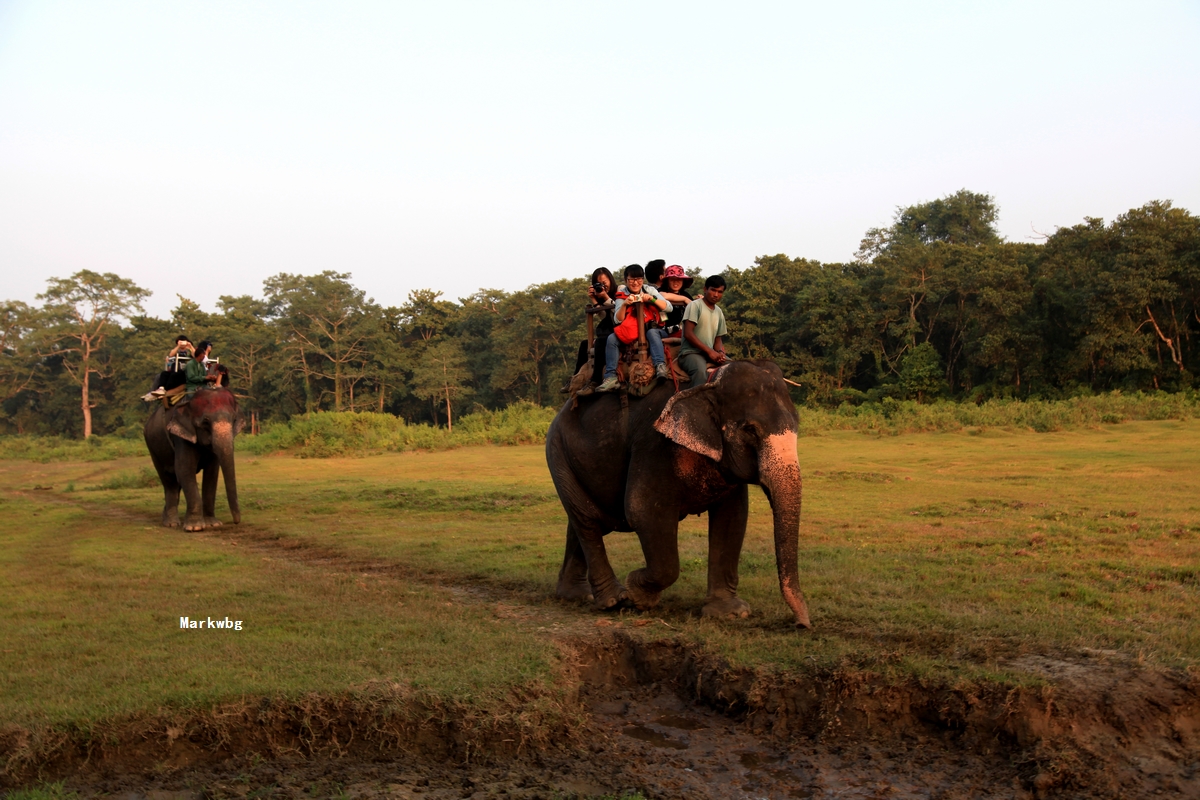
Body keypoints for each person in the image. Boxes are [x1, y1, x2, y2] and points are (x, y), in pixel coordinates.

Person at [596, 265, 672, 392]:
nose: (635, 283)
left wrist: (651, 299)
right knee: (612, 338)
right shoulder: (622, 295)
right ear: (626, 280)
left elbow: (668, 307)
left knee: (652, 333)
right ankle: (610, 377)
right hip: (632, 331)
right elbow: (617, 320)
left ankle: (660, 366)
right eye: (632, 279)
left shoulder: (649, 290)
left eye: (639, 279)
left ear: (643, 280)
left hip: (654, 329)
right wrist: (625, 304)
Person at [566, 267, 617, 395]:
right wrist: (595, 300)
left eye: (605, 282)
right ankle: (575, 379)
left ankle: (595, 380)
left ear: (610, 279)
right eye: (599, 284)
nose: (603, 286)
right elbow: (604, 317)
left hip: (620, 329)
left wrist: (605, 297)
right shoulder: (599, 296)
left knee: (600, 342)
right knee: (584, 344)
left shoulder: (620, 289)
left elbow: (617, 313)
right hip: (607, 330)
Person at [678, 275, 729, 389]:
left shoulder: (719, 312)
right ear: (705, 289)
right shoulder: (695, 306)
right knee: (701, 373)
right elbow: (688, 333)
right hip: (691, 353)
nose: (716, 295)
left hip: (709, 353)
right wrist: (710, 352)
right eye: (713, 290)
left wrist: (720, 352)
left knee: (735, 368)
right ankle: (695, 404)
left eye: (720, 292)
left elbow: (718, 338)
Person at [142, 335, 193, 401]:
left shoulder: (189, 350)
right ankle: (160, 389)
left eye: (184, 342)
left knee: (173, 375)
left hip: (184, 371)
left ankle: (165, 391)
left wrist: (190, 346)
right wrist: (178, 346)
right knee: (164, 374)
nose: (182, 343)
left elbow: (195, 355)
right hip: (175, 368)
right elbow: (171, 354)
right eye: (180, 342)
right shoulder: (177, 350)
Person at [657, 265, 694, 336]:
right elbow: (663, 296)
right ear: (667, 281)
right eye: (672, 279)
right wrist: (684, 299)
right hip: (661, 330)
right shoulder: (660, 291)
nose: (676, 282)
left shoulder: (685, 294)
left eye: (679, 279)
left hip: (681, 331)